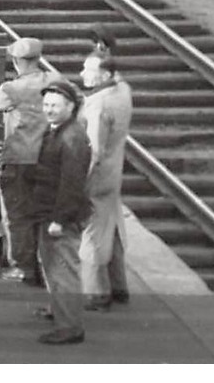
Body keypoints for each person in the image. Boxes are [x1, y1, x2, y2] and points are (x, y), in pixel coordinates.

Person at [0, 36, 62, 286]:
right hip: (49, 158)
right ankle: (47, 268)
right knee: (44, 214)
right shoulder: (56, 80)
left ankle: (22, 267)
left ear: (18, 61)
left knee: (16, 214)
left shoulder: (14, 89)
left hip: (20, 158)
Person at [32, 79, 92, 345]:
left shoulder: (72, 138)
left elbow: (72, 183)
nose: (49, 109)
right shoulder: (59, 130)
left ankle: (70, 327)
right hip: (49, 211)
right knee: (53, 266)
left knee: (63, 270)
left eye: (55, 105)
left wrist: (59, 219)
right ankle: (58, 310)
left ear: (70, 106)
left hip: (60, 216)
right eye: (46, 104)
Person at [80, 51, 133, 310]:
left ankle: (96, 292)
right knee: (111, 229)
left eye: (89, 70)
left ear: (106, 74)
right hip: (115, 172)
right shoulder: (124, 92)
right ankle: (119, 284)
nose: (82, 74)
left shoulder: (97, 105)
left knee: (92, 233)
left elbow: (94, 150)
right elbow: (120, 79)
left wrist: (80, 184)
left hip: (98, 178)